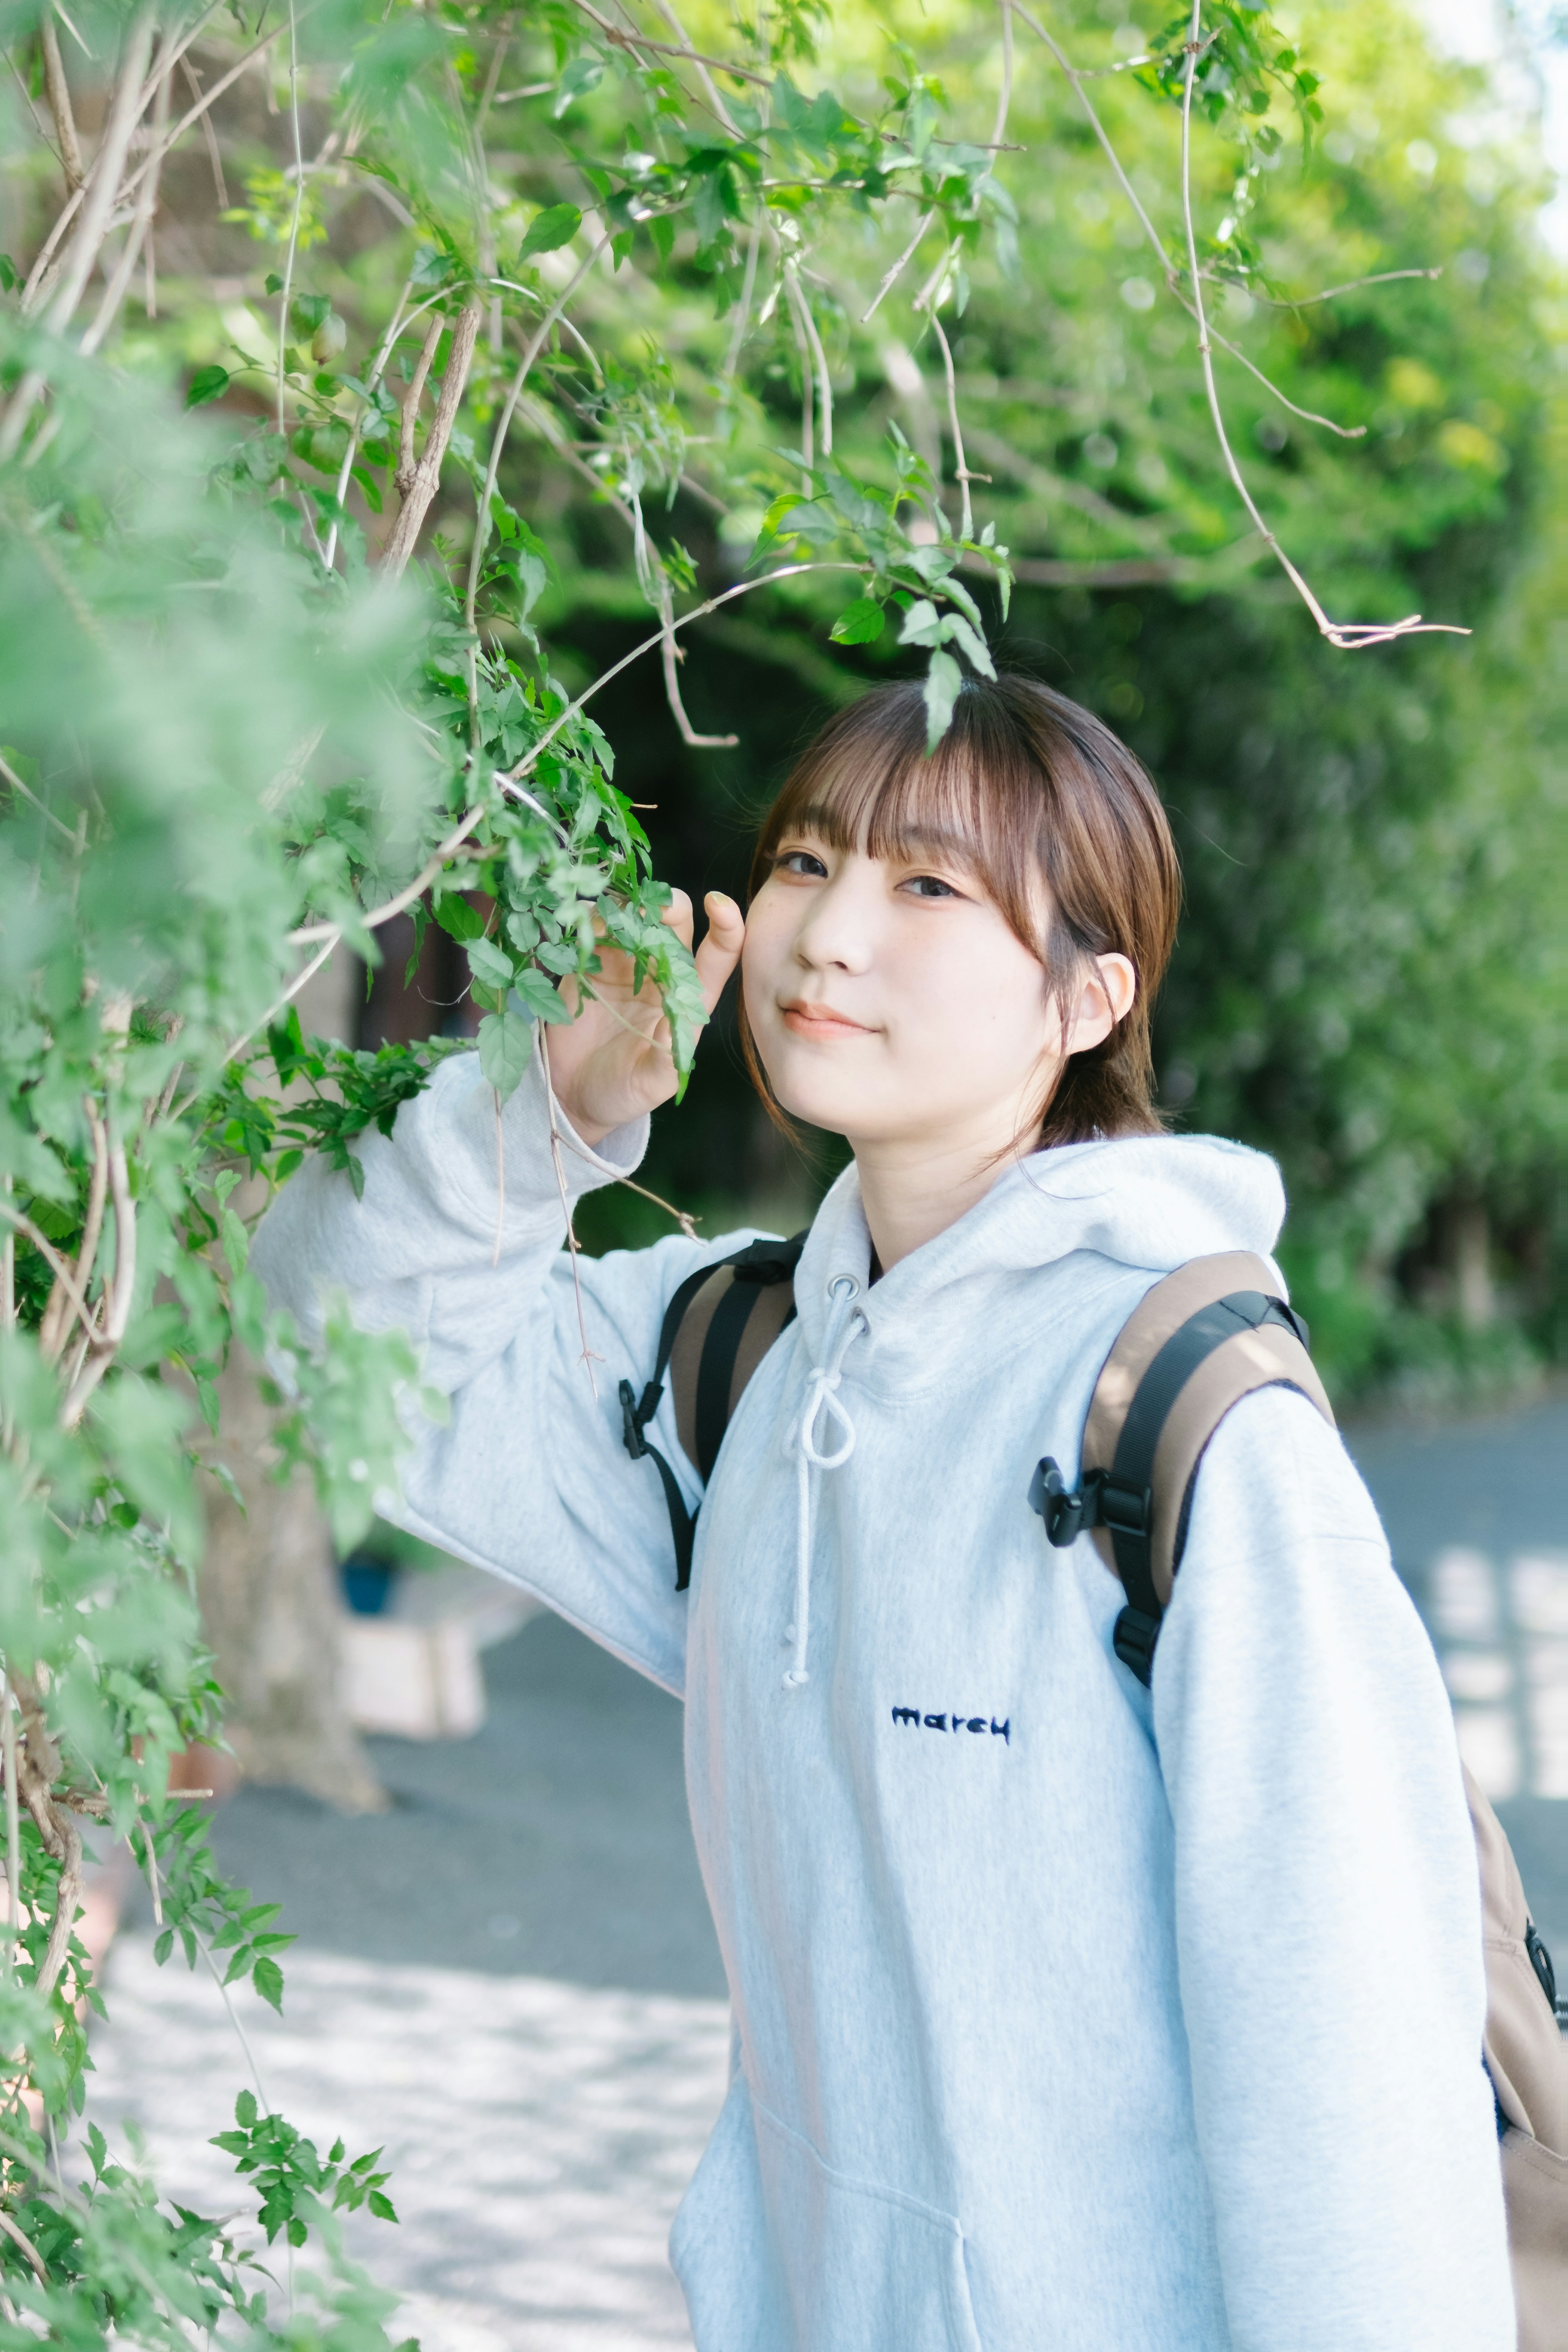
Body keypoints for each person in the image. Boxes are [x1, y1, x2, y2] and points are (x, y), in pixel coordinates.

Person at [252, 675, 1513, 2351]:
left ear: (1087, 996)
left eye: (927, 886)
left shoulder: (1191, 1425)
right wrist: (542, 1117)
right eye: (802, 863)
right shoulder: (739, 1358)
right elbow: (340, 1343)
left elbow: (1349, 2076)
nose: (830, 934)